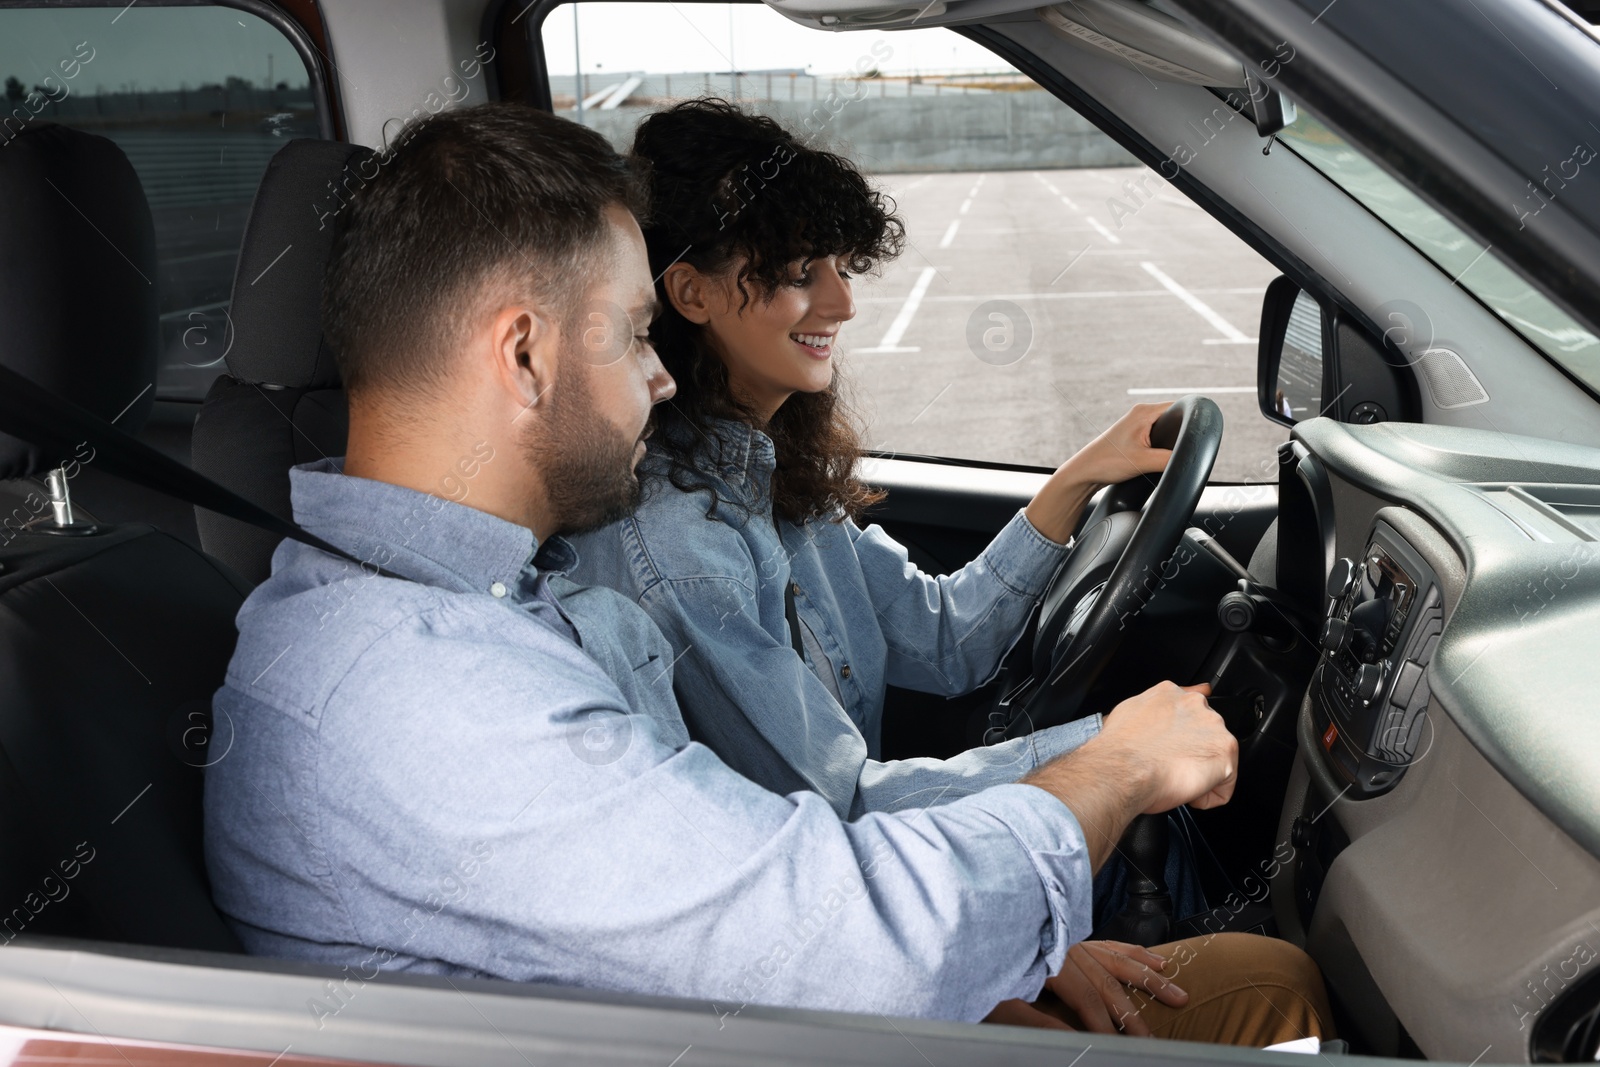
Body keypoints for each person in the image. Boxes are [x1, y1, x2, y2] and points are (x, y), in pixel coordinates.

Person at [202, 101, 1332, 1045]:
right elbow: (847, 945)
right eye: (637, 334)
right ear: (526, 353)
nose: (659, 379)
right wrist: (1111, 767)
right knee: (1266, 986)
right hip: (800, 996)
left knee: (1245, 977)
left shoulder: (474, 608)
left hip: (740, 1005)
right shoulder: (420, 688)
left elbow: (735, 872)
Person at [568, 99, 1204, 923]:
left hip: (866, 868)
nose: (842, 303)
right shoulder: (682, 545)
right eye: (801, 274)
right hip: (828, 900)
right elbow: (840, 807)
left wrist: (1082, 474)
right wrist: (1112, 753)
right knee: (1161, 833)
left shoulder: (772, 477)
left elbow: (945, 639)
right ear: (691, 292)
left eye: (839, 267)